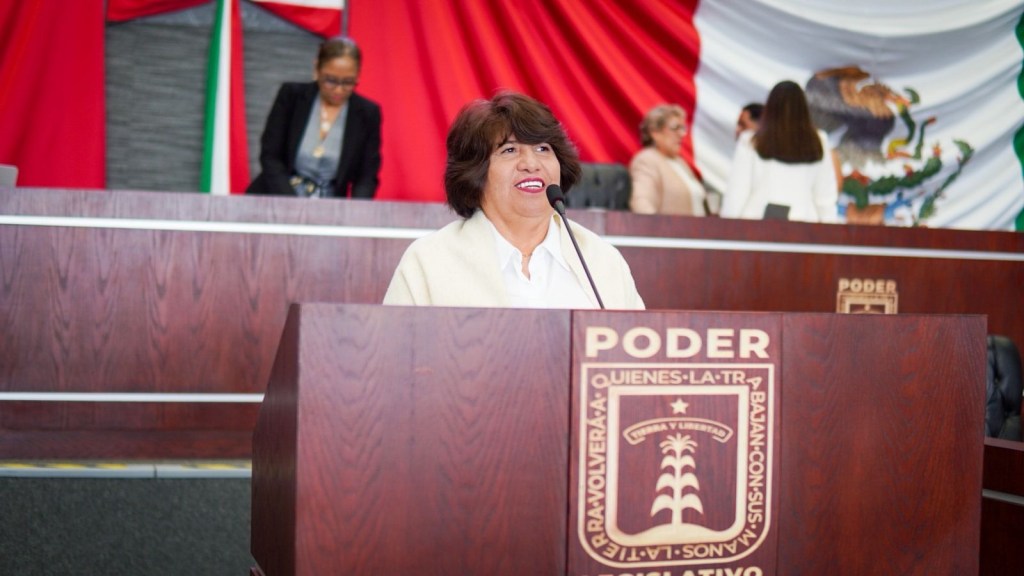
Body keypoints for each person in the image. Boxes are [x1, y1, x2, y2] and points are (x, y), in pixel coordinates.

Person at [383, 92, 644, 309]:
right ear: (476, 172)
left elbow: (634, 360)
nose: (531, 164)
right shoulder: (430, 260)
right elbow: (395, 359)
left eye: (543, 149)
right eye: (509, 150)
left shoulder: (602, 260)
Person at [247, 36, 381, 198]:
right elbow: (271, 157)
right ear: (317, 69)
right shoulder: (291, 97)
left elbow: (366, 177)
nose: (339, 90)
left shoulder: (367, 113)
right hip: (277, 197)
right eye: (330, 80)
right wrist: (291, 204)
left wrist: (357, 213)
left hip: (331, 207)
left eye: (348, 82)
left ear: (358, 75)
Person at [720, 81, 838, 222]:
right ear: (803, 108)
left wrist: (727, 232)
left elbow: (736, 195)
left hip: (755, 230)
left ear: (770, 108)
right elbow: (825, 200)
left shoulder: (750, 141)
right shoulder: (819, 140)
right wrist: (830, 235)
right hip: (804, 229)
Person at [628, 104, 707, 216]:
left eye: (683, 128)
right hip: (670, 233)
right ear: (655, 133)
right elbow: (641, 204)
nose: (681, 134)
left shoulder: (679, 162)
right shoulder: (647, 160)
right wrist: (658, 231)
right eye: (675, 128)